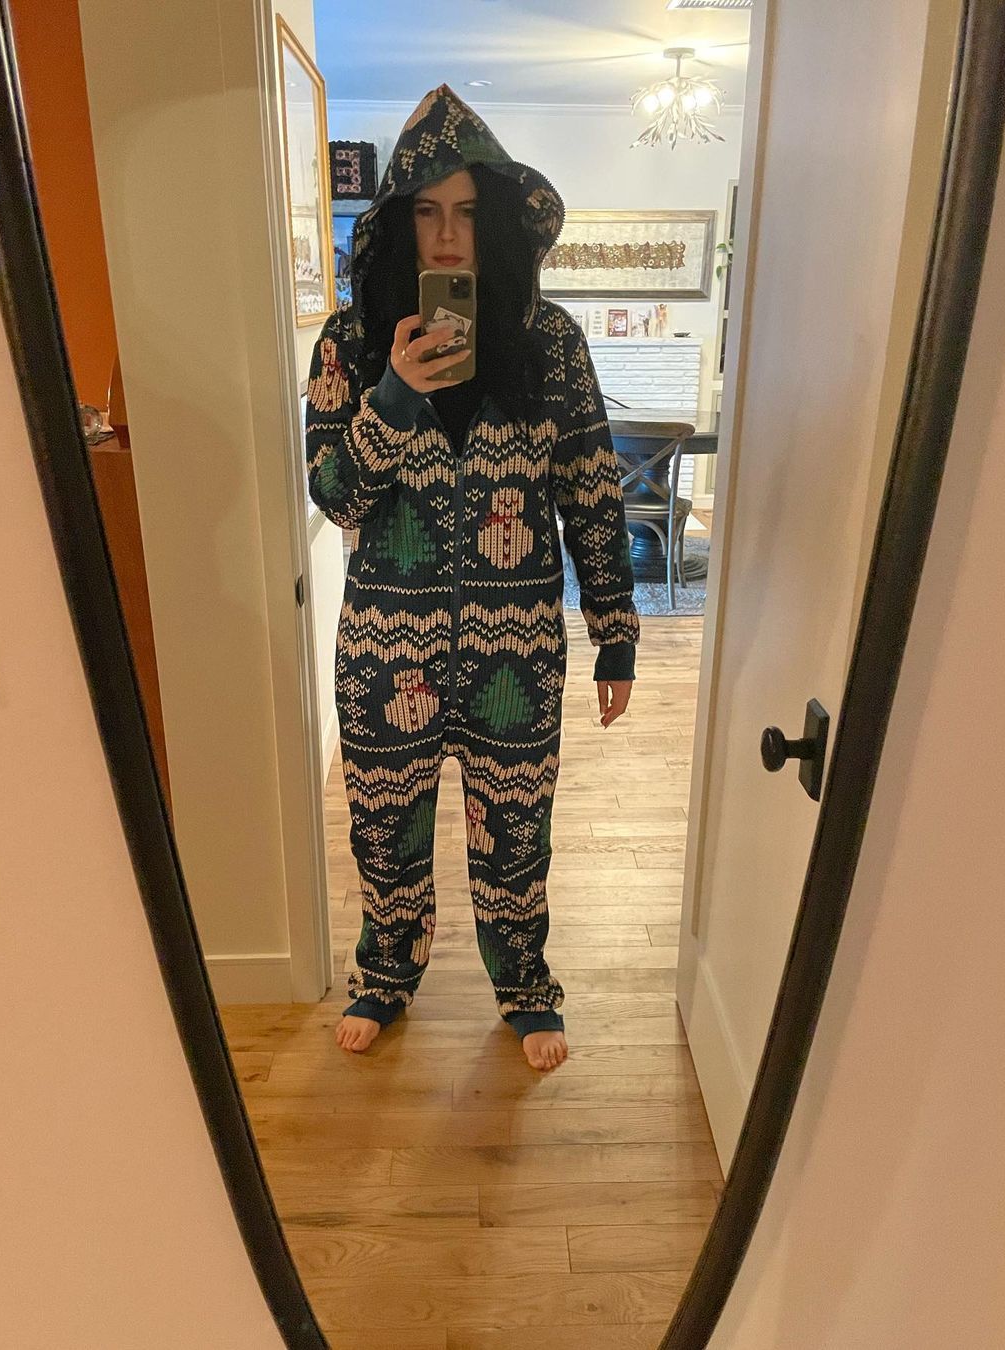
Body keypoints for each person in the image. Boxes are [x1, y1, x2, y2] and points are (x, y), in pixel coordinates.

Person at [306, 84, 639, 1071]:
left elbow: (590, 487)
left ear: (491, 221)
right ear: (398, 222)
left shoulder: (549, 341)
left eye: (464, 211)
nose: (447, 236)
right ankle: (385, 973)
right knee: (383, 829)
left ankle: (525, 984)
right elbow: (336, 497)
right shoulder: (348, 344)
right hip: (384, 650)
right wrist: (394, 395)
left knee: (517, 831)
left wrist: (615, 630)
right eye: (425, 211)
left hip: (517, 649)